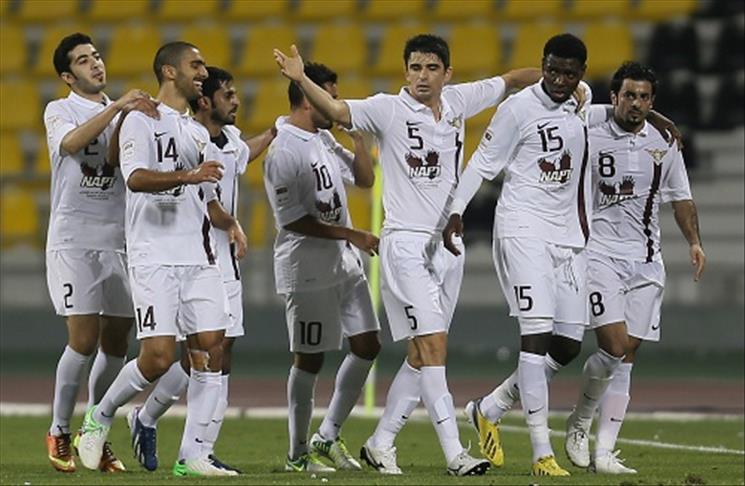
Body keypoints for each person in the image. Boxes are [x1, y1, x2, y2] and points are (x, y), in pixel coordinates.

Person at [273, 34, 542, 476]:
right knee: (433, 347)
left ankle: (380, 443)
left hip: (447, 246)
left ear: (446, 73)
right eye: (415, 67)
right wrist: (301, 78)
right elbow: (337, 111)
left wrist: (569, 87)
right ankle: (455, 454)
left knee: (421, 356)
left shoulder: (459, 101)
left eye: (431, 68)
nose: (422, 76)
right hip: (405, 245)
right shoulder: (387, 109)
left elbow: (512, 79)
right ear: (405, 71)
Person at [75, 41, 247, 478]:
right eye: (196, 65)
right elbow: (134, 177)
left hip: (198, 255)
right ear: (170, 72)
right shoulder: (141, 118)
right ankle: (99, 416)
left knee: (211, 346)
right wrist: (188, 175)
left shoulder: (196, 133)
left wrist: (230, 223)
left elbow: (206, 196)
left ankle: (193, 456)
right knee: (157, 358)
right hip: (154, 255)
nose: (203, 73)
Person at [443, 33, 596, 477]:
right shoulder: (516, 110)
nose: (560, 80)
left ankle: (490, 407)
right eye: (552, 70)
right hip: (522, 231)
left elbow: (609, 108)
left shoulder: (582, 100)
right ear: (542, 65)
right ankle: (541, 452)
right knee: (536, 336)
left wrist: (656, 119)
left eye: (569, 73)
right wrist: (456, 210)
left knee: (567, 345)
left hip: (567, 239)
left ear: (581, 74)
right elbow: (480, 163)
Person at [125, 65, 275, 474]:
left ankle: (184, 442)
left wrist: (276, 131)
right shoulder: (184, 137)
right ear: (205, 100)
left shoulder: (229, 139)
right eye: (228, 94)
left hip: (219, 258)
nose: (236, 100)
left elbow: (243, 155)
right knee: (196, 355)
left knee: (214, 354)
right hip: (189, 255)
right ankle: (169, 433)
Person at [562, 61, 705, 474]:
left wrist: (694, 242)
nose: (636, 103)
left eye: (644, 97)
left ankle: (604, 453)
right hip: (599, 254)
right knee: (614, 345)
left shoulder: (665, 142)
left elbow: (681, 198)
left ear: (652, 101)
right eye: (629, 95)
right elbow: (567, 107)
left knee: (627, 355)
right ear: (614, 97)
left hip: (646, 261)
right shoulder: (589, 129)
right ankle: (580, 421)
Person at [43, 32, 156, 473]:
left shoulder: (125, 113)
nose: (96, 63)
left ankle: (94, 430)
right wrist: (117, 108)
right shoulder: (60, 109)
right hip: (74, 239)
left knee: (117, 339)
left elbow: (119, 164)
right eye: (83, 60)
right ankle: (58, 429)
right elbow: (71, 145)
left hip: (118, 240)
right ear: (67, 76)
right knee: (84, 339)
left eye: (96, 55)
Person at [263, 61, 381, 473]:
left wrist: (359, 139)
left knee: (368, 345)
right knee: (310, 360)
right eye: (328, 96)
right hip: (307, 269)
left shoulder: (325, 139)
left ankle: (327, 435)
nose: (335, 104)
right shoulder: (284, 149)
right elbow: (291, 220)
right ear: (307, 99)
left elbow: (364, 179)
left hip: (343, 264)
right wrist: (352, 234)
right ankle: (297, 454)